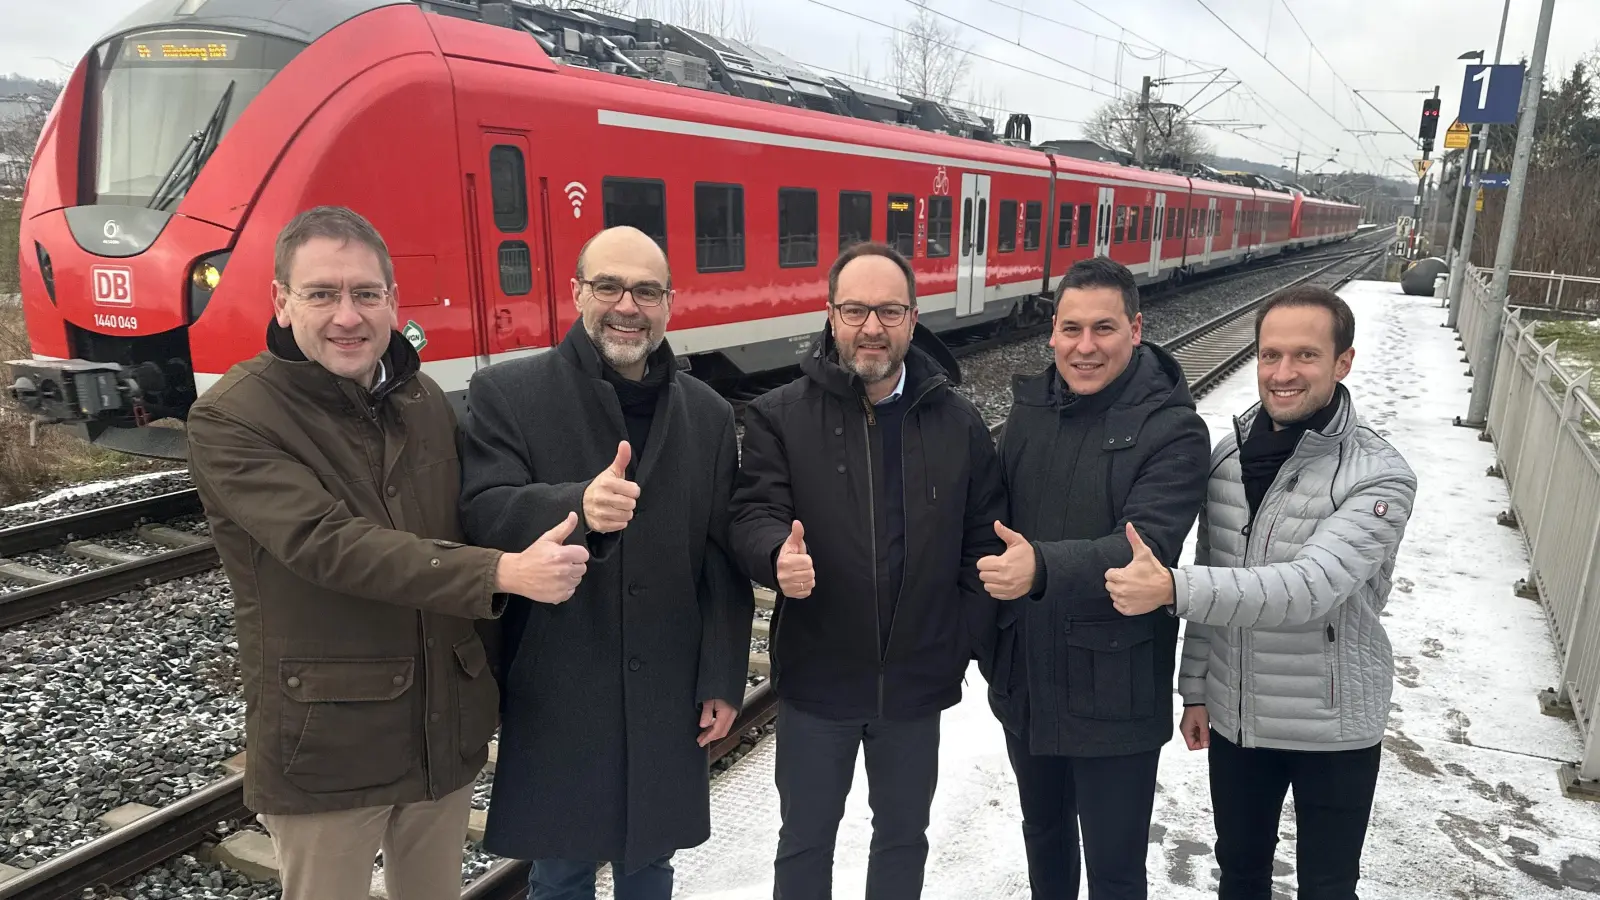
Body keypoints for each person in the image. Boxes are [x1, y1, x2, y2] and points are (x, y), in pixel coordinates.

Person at [186, 205, 588, 900]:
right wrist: (502, 572)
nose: (348, 316)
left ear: (394, 302)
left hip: (441, 729)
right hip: (330, 742)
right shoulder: (233, 416)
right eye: (322, 294)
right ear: (281, 302)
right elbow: (326, 544)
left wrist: (576, 504)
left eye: (366, 294)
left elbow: (468, 517)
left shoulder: (420, 397)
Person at [457, 225, 754, 900]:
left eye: (646, 291)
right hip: (559, 680)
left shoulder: (707, 414)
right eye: (609, 286)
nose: (627, 305)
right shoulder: (508, 392)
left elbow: (721, 556)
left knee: (651, 862)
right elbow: (482, 510)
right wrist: (577, 506)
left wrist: (721, 674)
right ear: (576, 293)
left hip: (668, 685)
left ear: (669, 303)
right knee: (561, 869)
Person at [1105, 284, 1417, 900]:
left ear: (1343, 362)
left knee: (1327, 886)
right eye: (1270, 354)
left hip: (1332, 725)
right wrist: (1197, 689)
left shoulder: (1379, 476)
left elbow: (1309, 588)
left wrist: (1169, 587)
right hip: (1239, 719)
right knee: (1241, 874)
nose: (1283, 373)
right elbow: (1215, 569)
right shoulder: (1228, 459)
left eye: (1305, 355)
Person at [730, 240, 1006, 900]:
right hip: (818, 677)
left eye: (889, 310)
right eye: (855, 310)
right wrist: (775, 553)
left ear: (914, 318)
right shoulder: (779, 416)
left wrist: (959, 637)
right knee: (805, 840)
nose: (872, 327)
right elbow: (753, 512)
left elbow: (984, 540)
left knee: (904, 838)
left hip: (915, 682)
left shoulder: (957, 422)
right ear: (830, 316)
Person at [976, 256, 1210, 900]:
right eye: (1071, 328)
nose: (1085, 347)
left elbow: (1144, 547)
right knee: (1045, 841)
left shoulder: (1174, 430)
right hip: (1028, 678)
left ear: (1136, 329)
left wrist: (1041, 566)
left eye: (1103, 328)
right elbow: (990, 519)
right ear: (1052, 330)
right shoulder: (1030, 411)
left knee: (1114, 869)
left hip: (1115, 687)